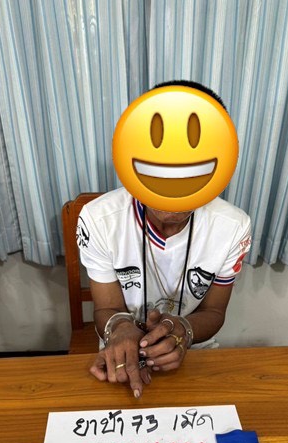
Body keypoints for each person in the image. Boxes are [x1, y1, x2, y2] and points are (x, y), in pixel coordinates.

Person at [77, 80, 251, 397]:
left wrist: (185, 330)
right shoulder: (97, 218)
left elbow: (214, 313)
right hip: (119, 352)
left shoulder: (234, 226)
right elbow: (106, 307)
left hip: (195, 352)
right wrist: (120, 328)